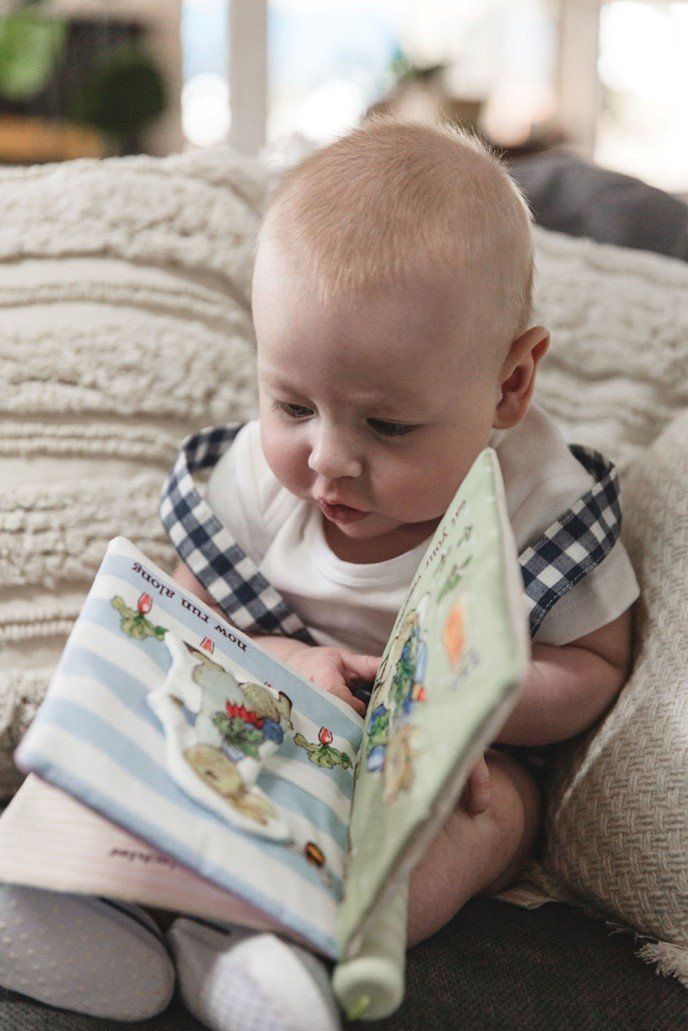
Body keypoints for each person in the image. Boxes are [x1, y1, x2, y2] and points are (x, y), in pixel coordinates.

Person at [0, 119, 639, 1030]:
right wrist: (265, 658)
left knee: (501, 818)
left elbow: (598, 666)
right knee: (132, 685)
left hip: (440, 765)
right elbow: (191, 611)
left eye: (387, 427)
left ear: (509, 382)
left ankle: (277, 950)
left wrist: (476, 701)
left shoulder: (541, 503)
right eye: (292, 404)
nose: (329, 460)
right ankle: (65, 897)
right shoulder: (265, 479)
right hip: (270, 706)